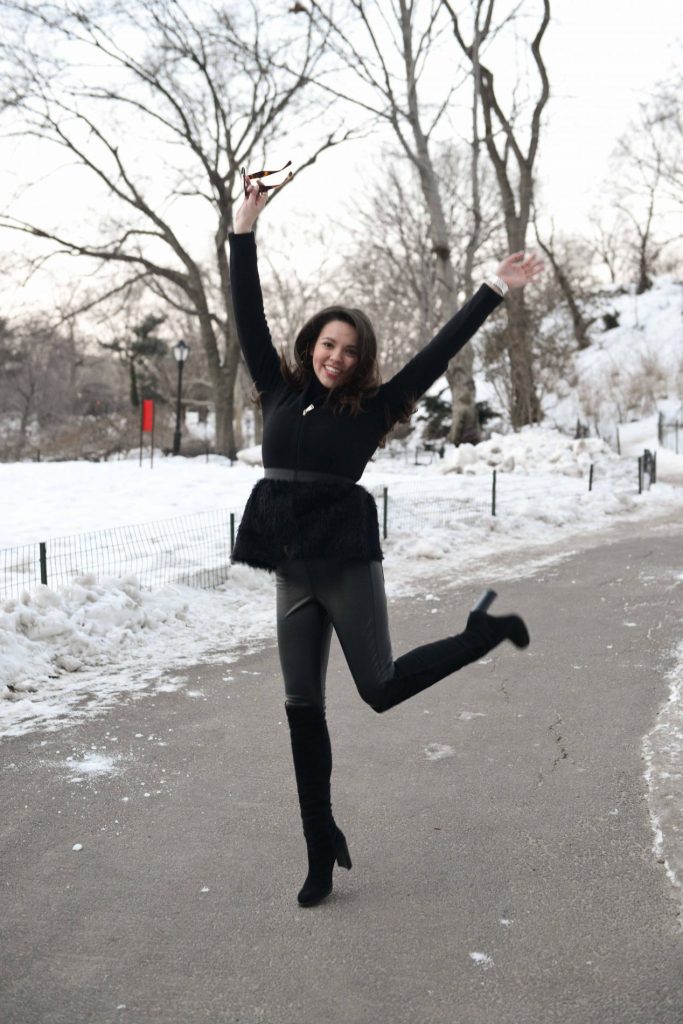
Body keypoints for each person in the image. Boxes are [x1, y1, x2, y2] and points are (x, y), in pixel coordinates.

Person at [230, 177, 543, 908]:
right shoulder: (276, 390)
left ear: (360, 359)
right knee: (300, 703)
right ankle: (318, 845)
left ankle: (478, 633)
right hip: (289, 565)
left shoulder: (375, 407)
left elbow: (441, 348)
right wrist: (243, 227)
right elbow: (246, 309)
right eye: (327, 344)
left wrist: (493, 287)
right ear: (311, 344)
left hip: (342, 562)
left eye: (349, 350)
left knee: (377, 688)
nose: (336, 356)